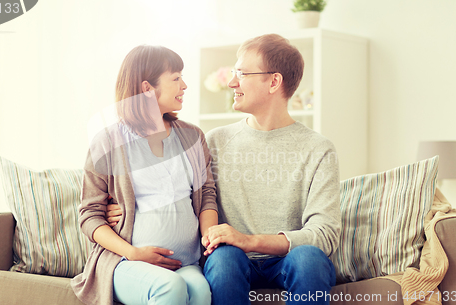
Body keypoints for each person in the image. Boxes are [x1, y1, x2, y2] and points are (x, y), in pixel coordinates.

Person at [106, 34, 341, 305]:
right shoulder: (213, 141)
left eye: (241, 73)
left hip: (290, 260)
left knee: (310, 257)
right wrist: (126, 206)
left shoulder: (318, 149)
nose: (231, 82)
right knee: (225, 259)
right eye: (232, 73)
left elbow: (324, 234)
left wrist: (250, 241)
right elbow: (184, 193)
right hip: (230, 259)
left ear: (274, 82)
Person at [71, 45, 218, 305]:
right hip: (127, 261)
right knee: (169, 287)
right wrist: (134, 253)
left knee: (200, 291)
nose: (184, 85)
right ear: (147, 88)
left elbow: (206, 194)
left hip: (187, 262)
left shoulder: (192, 136)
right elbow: (89, 215)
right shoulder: (107, 141)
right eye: (176, 78)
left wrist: (209, 237)